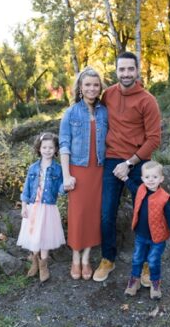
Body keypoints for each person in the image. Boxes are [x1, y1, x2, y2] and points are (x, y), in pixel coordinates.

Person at [95, 51, 162, 284]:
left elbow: (154, 139)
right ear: (116, 71)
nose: (126, 73)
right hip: (112, 160)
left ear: (137, 70)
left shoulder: (147, 100)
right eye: (121, 69)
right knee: (106, 213)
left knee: (145, 214)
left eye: (130, 69)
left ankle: (146, 264)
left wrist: (130, 163)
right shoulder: (108, 95)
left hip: (138, 162)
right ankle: (108, 259)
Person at [59, 67, 108, 280]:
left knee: (93, 214)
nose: (92, 88)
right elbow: (64, 145)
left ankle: (87, 258)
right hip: (77, 171)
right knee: (78, 215)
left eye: (96, 85)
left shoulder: (104, 112)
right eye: (87, 84)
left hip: (98, 169)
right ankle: (75, 258)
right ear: (80, 87)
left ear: (100, 87)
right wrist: (66, 175)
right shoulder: (71, 113)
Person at [123, 161, 170, 299]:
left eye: (155, 177)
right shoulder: (141, 190)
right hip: (141, 235)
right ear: (142, 178)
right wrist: (124, 178)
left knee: (153, 260)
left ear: (161, 179)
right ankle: (134, 281)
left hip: (157, 238)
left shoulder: (164, 198)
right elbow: (132, 187)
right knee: (137, 258)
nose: (151, 180)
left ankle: (155, 283)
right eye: (147, 177)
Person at [16, 133, 66, 282]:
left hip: (48, 208)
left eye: (51, 147)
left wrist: (67, 184)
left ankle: (44, 265)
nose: (47, 150)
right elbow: (26, 189)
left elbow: (61, 189)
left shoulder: (58, 169)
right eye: (44, 147)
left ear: (55, 149)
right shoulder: (33, 168)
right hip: (33, 207)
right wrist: (23, 206)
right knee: (33, 234)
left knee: (45, 235)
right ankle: (34, 262)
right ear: (39, 148)